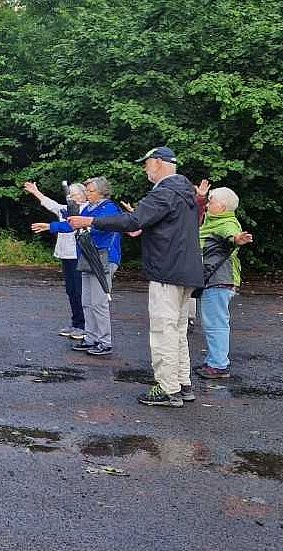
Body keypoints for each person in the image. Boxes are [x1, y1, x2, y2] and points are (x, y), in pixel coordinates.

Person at [69, 146, 203, 407]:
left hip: (167, 270)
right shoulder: (185, 192)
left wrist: (90, 222)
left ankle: (167, 388)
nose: (145, 169)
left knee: (163, 330)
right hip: (187, 271)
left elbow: (134, 221)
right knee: (176, 330)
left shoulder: (165, 191)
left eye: (146, 164)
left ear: (158, 163)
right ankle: (182, 384)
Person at [32, 177, 122, 356]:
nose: (87, 194)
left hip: (103, 258)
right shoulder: (90, 208)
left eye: (90, 191)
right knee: (87, 302)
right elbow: (72, 224)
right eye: (87, 191)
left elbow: (98, 226)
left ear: (101, 192)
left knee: (98, 302)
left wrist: (83, 223)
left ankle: (104, 341)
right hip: (87, 257)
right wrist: (51, 226)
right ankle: (91, 338)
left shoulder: (109, 208)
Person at [193, 187, 253, 379]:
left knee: (216, 324)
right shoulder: (213, 221)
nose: (209, 204)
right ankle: (214, 361)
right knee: (213, 323)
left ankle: (218, 365)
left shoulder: (225, 223)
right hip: (214, 281)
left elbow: (231, 234)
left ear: (223, 207)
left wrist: (237, 239)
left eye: (212, 201)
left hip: (218, 281)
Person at [23, 181, 86, 339]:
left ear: (84, 196)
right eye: (69, 194)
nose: (71, 197)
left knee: (80, 292)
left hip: (79, 256)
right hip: (65, 256)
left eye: (75, 194)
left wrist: (49, 226)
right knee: (71, 291)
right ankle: (76, 323)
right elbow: (50, 204)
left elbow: (70, 227)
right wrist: (35, 192)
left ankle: (85, 326)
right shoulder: (65, 210)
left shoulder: (87, 210)